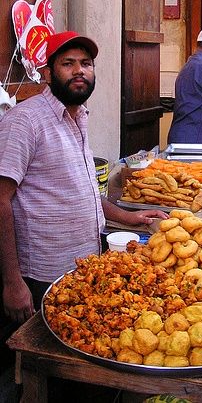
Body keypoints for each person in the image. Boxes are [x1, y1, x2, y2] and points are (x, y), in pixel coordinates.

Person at [0, 31, 168, 324]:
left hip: (84, 265)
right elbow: (1, 201)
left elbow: (82, 189)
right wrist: (12, 282)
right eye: (68, 63)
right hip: (40, 273)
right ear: (48, 73)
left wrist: (128, 217)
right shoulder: (25, 121)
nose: (79, 70)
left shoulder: (78, 116)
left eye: (86, 63)